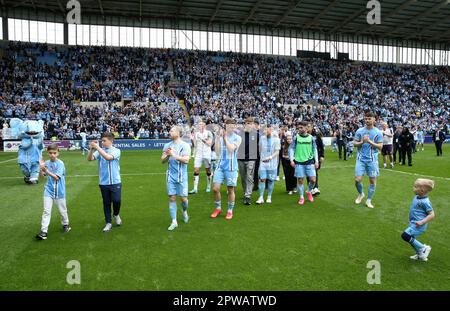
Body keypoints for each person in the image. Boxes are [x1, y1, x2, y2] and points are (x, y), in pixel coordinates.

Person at [87, 132, 122, 232]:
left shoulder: (116, 151)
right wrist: (91, 149)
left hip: (115, 181)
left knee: (117, 201)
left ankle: (116, 214)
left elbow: (108, 157)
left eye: (104, 141)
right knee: (106, 203)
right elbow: (89, 159)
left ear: (111, 141)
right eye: (101, 141)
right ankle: (108, 222)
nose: (102, 142)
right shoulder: (100, 150)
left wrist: (97, 147)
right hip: (103, 182)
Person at [35, 144, 71, 240]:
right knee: (46, 211)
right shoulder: (46, 163)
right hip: (48, 190)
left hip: (60, 191)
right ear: (48, 153)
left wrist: (45, 170)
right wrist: (40, 169)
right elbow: (41, 178)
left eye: (54, 153)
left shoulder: (60, 164)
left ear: (58, 153)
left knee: (62, 211)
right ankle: (44, 231)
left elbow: (56, 177)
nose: (52, 155)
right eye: (50, 153)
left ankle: (66, 224)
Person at [210, 119, 242, 220]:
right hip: (220, 166)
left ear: (235, 127)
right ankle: (218, 208)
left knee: (230, 189)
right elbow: (217, 151)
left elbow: (231, 149)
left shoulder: (238, 138)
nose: (231, 128)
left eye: (232, 126)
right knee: (215, 189)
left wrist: (224, 138)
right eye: (229, 126)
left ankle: (229, 211)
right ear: (226, 126)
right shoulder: (221, 136)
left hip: (231, 167)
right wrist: (218, 137)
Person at [161, 126, 191, 231]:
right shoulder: (167, 145)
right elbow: (162, 160)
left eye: (172, 130)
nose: (169, 132)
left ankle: (184, 211)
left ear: (178, 133)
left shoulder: (185, 145)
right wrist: (168, 155)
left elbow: (186, 160)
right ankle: (174, 221)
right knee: (172, 198)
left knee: (184, 199)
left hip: (182, 176)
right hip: (170, 176)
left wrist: (173, 154)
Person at [353, 111, 383, 209]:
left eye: (369, 118)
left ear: (374, 119)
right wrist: (362, 141)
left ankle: (369, 200)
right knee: (357, 180)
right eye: (366, 118)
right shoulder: (360, 131)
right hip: (360, 159)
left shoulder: (378, 132)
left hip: (372, 160)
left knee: (372, 180)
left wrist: (369, 141)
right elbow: (355, 143)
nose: (367, 120)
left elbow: (380, 147)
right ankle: (361, 194)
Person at [401, 178, 435, 262]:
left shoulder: (425, 202)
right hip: (414, 223)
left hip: (419, 225)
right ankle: (420, 254)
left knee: (405, 235)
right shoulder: (417, 197)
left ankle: (423, 248)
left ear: (422, 191)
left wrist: (422, 222)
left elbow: (432, 215)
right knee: (411, 239)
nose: (413, 188)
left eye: (415, 187)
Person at [289, 121, 319, 206]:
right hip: (299, 162)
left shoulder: (311, 138)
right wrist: (291, 160)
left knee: (313, 180)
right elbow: (291, 149)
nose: (299, 129)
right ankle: (301, 197)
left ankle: (308, 191)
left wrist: (316, 161)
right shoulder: (296, 138)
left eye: (301, 127)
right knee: (300, 180)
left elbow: (314, 149)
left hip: (310, 161)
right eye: (298, 128)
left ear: (306, 128)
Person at [256, 124, 280, 205]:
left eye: (267, 129)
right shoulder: (262, 138)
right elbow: (259, 149)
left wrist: (270, 157)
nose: (265, 131)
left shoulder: (276, 139)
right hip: (263, 163)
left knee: (270, 180)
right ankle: (261, 197)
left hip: (272, 164)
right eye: (264, 130)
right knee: (262, 179)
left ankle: (269, 196)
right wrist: (263, 158)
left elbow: (277, 151)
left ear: (271, 129)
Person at [237, 117, 259, 205]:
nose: (248, 124)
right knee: (243, 177)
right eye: (247, 123)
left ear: (253, 124)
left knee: (250, 177)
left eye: (250, 123)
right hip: (241, 158)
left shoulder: (256, 134)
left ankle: (247, 195)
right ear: (244, 124)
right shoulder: (240, 133)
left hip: (251, 158)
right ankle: (245, 192)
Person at [189, 120, 213, 194]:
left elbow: (209, 144)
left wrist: (202, 139)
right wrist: (192, 139)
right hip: (198, 154)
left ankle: (208, 186)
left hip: (207, 154)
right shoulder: (196, 134)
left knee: (208, 171)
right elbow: (195, 145)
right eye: (199, 124)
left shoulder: (209, 133)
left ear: (204, 126)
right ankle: (195, 188)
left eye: (201, 124)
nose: (200, 126)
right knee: (196, 170)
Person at [280, 131, 296, 195]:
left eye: (290, 139)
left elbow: (296, 155)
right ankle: (289, 189)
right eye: (288, 139)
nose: (289, 140)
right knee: (287, 175)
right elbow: (283, 155)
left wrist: (292, 158)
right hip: (286, 162)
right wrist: (288, 157)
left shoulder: (295, 146)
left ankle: (294, 187)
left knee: (293, 175)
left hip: (293, 162)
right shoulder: (284, 146)